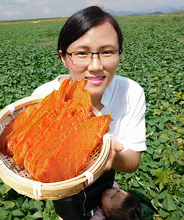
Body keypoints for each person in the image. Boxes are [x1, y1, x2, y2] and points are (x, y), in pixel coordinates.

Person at [32, 5, 146, 220]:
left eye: (107, 52)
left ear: (119, 53)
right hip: (64, 185)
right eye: (82, 53)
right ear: (64, 57)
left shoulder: (131, 92)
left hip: (104, 180)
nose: (95, 66)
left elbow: (132, 162)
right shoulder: (44, 96)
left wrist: (102, 151)